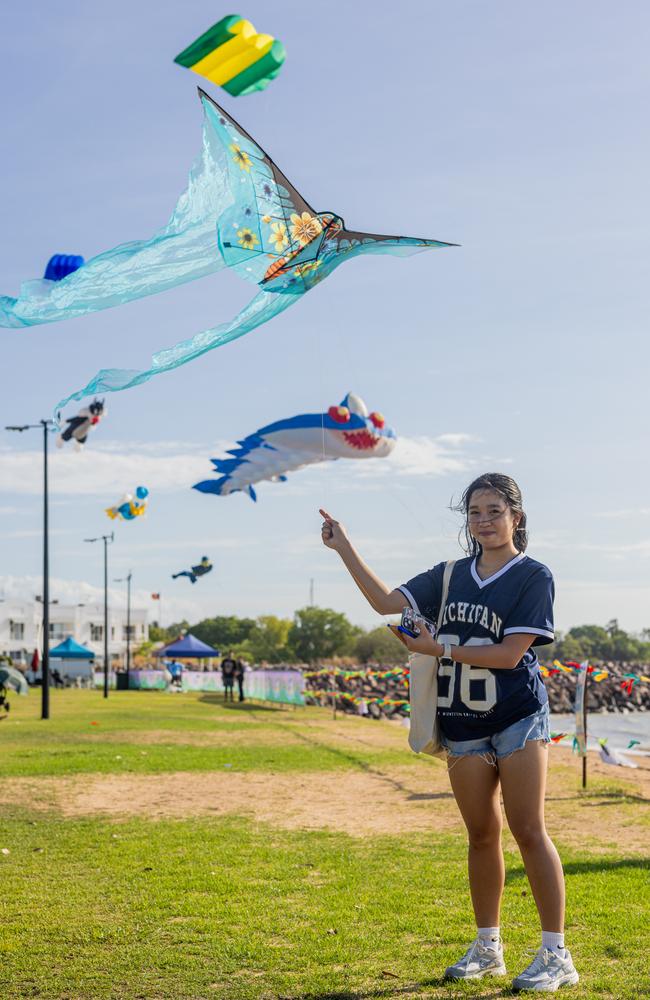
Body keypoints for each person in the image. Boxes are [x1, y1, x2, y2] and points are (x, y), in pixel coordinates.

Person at [319, 473, 579, 993]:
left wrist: (440, 650)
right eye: (475, 513)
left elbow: (510, 655)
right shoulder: (449, 575)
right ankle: (489, 947)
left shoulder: (533, 575)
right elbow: (384, 602)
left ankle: (556, 954)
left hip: (518, 716)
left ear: (516, 518)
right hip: (462, 722)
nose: (483, 521)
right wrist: (344, 547)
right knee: (481, 834)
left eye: (494, 511)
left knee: (528, 828)